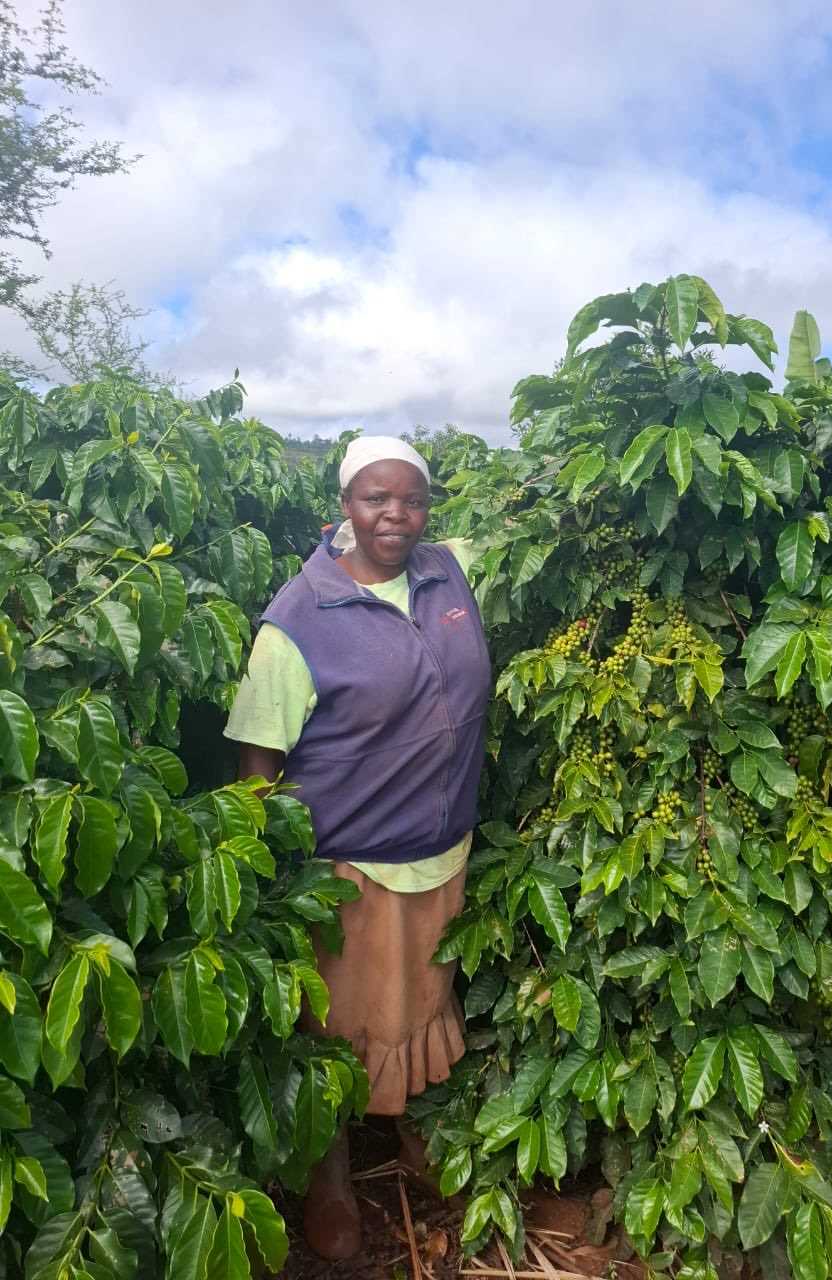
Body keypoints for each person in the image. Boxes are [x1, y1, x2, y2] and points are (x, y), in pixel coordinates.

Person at [224, 436, 491, 1259]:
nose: (395, 515)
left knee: (419, 1000)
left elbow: (521, 533)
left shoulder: (447, 571)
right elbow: (258, 759)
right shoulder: (299, 619)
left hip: (442, 847)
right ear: (344, 505)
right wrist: (269, 871)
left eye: (412, 499)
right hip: (351, 863)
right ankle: (330, 1171)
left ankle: (408, 1126)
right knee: (339, 1023)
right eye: (376, 498)